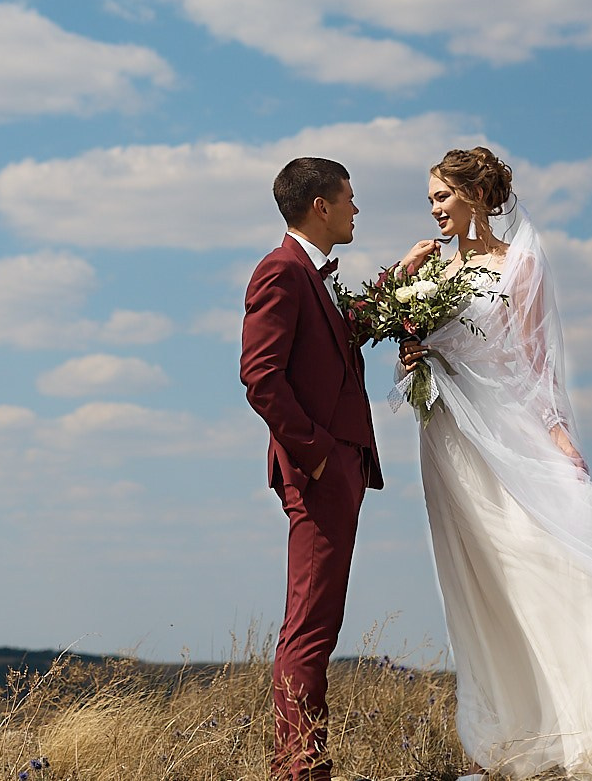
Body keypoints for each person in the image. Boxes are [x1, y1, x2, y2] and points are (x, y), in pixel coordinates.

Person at [396, 147, 592, 781]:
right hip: (447, 437)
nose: (436, 211)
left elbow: (535, 358)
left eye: (443, 198)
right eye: (431, 202)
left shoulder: (520, 261)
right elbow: (408, 350)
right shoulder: (426, 269)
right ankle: (517, 733)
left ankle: (590, 729)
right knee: (482, 580)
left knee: (542, 561)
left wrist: (555, 432)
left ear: (475, 196)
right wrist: (407, 337)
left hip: (504, 428)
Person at [241, 157, 383, 781]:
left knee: (319, 622)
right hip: (318, 470)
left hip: (342, 466)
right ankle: (301, 771)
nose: (357, 209)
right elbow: (260, 378)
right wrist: (320, 453)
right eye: (350, 198)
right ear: (321, 205)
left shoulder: (317, 275)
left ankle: (300, 765)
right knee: (310, 627)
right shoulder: (281, 271)